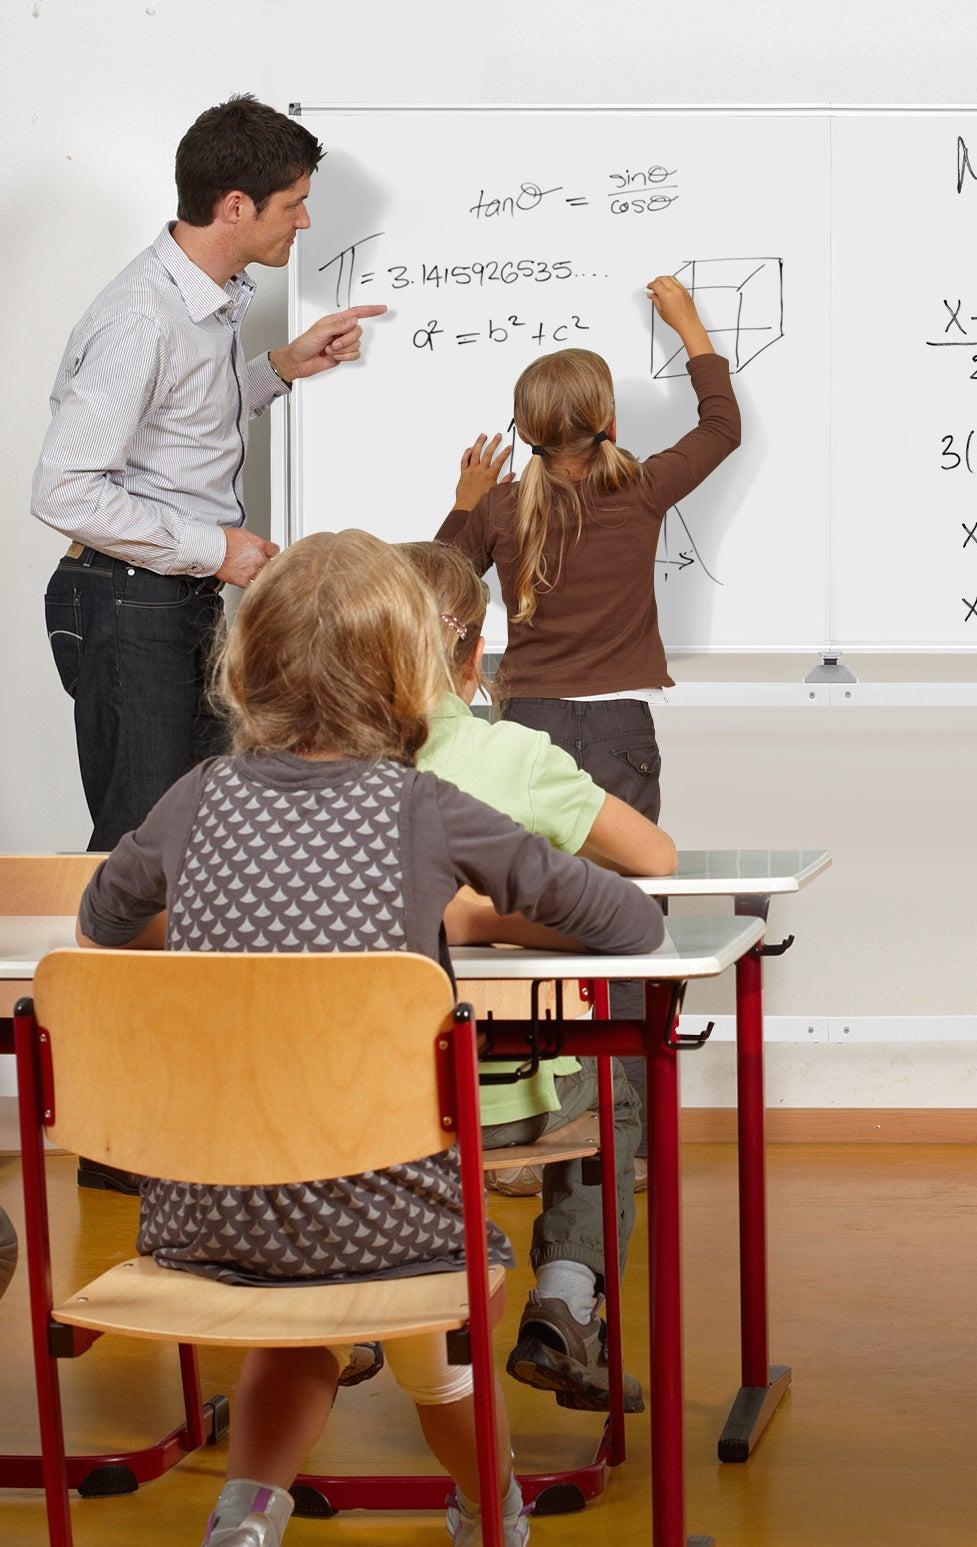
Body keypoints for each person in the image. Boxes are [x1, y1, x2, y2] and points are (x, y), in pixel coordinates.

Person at [75, 530, 663, 1547]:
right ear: (413, 679)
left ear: (244, 671)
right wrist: (476, 910)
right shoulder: (422, 807)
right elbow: (629, 918)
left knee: (309, 1318)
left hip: (205, 1215)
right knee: (423, 1309)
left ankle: (240, 1534)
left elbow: (101, 916)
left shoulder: (196, 796)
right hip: (393, 1217)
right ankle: (493, 1513)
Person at [33, 93, 385, 853]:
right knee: (143, 848)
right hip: (128, 605)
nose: (305, 222)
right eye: (294, 205)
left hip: (171, 599)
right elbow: (63, 488)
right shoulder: (143, 317)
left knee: (205, 840)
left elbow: (182, 422)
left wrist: (283, 368)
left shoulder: (203, 302)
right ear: (236, 206)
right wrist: (217, 548)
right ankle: (104, 979)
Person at [438, 273, 740, 1142]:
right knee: (623, 927)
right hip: (616, 733)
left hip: (522, 731)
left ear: (523, 432)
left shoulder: (497, 506)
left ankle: (525, 1115)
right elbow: (723, 427)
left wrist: (462, 507)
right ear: (607, 421)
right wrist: (689, 329)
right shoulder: (637, 488)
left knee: (519, 923)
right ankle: (627, 1138)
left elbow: (437, 590)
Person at [399, 539, 673, 1411]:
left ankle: (365, 1306)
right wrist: (496, 917)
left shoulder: (312, 774)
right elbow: (655, 860)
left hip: (370, 1100)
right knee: (610, 1084)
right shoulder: (513, 757)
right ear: (477, 655)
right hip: (509, 1098)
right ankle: (564, 1297)